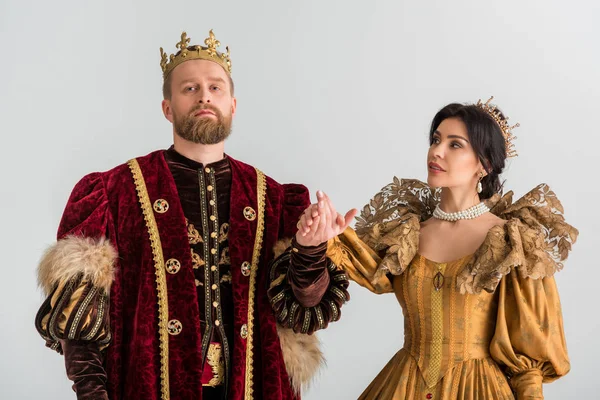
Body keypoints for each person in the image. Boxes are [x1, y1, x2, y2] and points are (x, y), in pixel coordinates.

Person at [35, 29, 354, 400]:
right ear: (167, 108)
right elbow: (80, 327)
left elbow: (303, 309)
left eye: (215, 87)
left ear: (233, 104)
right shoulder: (113, 192)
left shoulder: (276, 200)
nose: (204, 95)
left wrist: (310, 249)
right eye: (189, 88)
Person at [320, 97, 578, 399]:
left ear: (484, 165)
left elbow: (529, 362)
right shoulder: (407, 234)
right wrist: (328, 235)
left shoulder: (511, 242)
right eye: (435, 140)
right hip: (403, 384)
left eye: (455, 145)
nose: (436, 152)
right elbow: (360, 265)